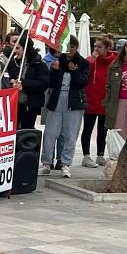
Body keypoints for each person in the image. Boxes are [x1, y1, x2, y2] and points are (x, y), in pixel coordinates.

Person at [39, 36, 89, 178]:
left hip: (74, 101)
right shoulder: (58, 61)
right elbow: (51, 84)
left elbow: (82, 83)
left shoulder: (83, 62)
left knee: (70, 134)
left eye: (72, 47)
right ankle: (46, 163)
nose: (70, 50)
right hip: (57, 99)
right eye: (67, 47)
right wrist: (54, 71)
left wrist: (73, 71)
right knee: (49, 133)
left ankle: (66, 164)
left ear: (76, 47)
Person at [81, 36, 115, 166]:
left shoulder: (114, 61)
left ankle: (100, 154)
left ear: (107, 48)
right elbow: (84, 72)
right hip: (90, 99)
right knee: (88, 129)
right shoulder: (91, 60)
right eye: (95, 46)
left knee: (103, 130)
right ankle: (86, 156)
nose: (96, 49)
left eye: (99, 46)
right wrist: (91, 60)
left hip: (105, 100)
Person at [7, 36, 50, 129]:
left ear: (25, 48)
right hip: (13, 104)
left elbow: (44, 84)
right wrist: (11, 82)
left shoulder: (39, 64)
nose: (15, 51)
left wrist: (23, 83)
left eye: (18, 48)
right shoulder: (13, 62)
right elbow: (8, 77)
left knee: (26, 131)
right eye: (14, 48)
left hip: (30, 105)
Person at [104, 35, 127, 141]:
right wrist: (107, 105)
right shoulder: (115, 65)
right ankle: (121, 157)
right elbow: (108, 87)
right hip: (118, 104)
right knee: (119, 135)